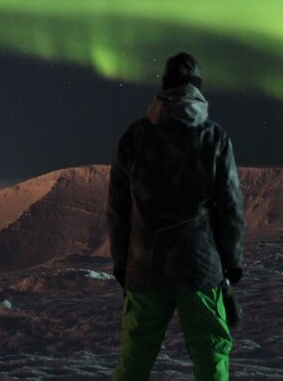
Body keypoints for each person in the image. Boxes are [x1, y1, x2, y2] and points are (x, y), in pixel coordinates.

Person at [107, 52, 245, 381]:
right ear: (197, 89)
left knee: (135, 357)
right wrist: (231, 263)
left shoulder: (135, 137)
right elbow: (230, 208)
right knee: (210, 354)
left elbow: (118, 209)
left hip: (145, 266)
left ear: (164, 88)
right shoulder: (214, 138)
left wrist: (121, 263)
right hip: (200, 268)